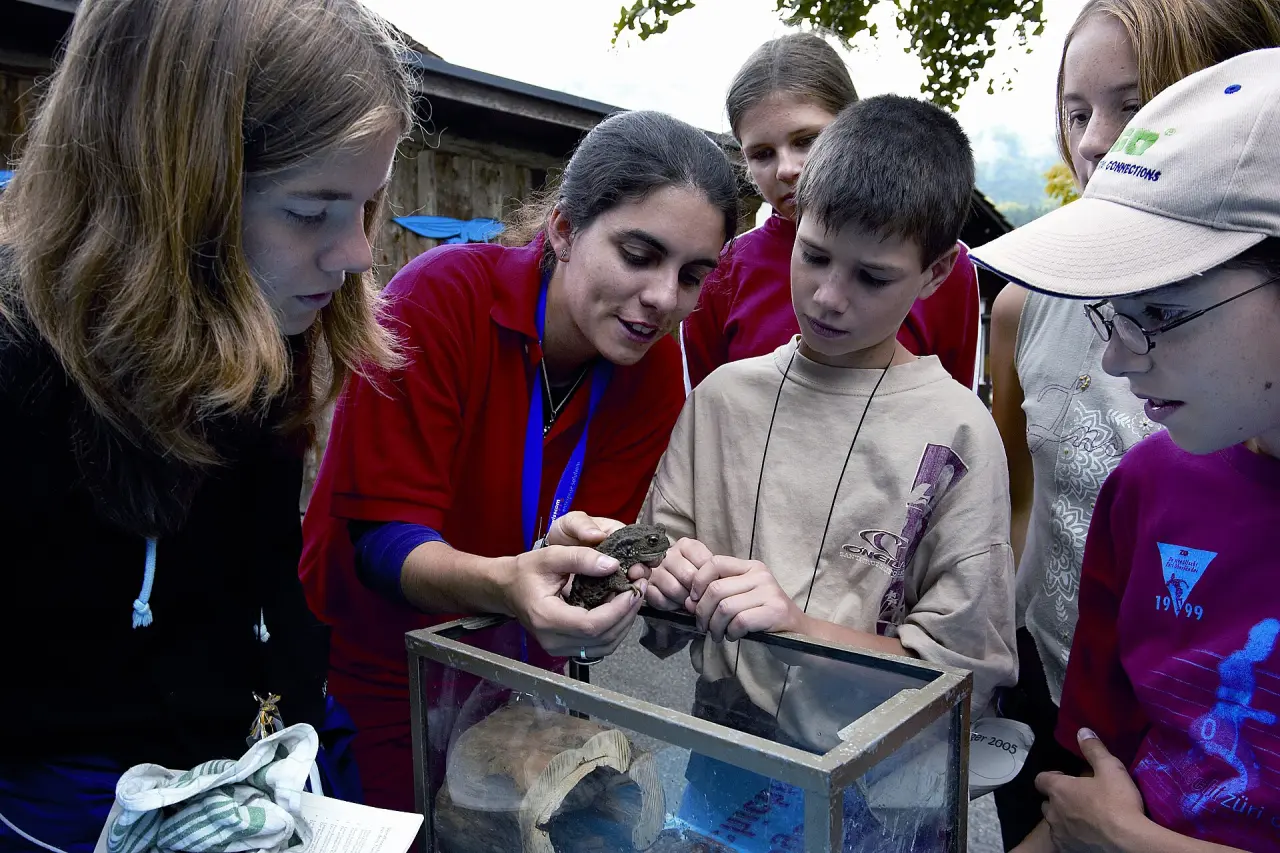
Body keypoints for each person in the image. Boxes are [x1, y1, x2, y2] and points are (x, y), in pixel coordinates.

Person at [0, 0, 412, 848]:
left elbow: (261, 591)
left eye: (367, 207)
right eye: (311, 211)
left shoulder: (261, 324)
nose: (358, 254)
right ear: (163, 186)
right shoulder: (17, 369)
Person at [299, 108, 740, 812]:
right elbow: (381, 545)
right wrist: (514, 581)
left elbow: (582, 541)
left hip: (517, 673)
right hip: (377, 670)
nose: (662, 298)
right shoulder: (438, 299)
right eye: (638, 254)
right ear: (563, 229)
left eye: (692, 274)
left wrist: (615, 566)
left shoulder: (652, 369)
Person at [640, 94, 1015, 821]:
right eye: (813, 256)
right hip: (724, 761)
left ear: (936, 273)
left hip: (883, 793)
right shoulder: (721, 400)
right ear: (793, 227)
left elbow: (966, 672)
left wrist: (796, 627)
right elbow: (654, 575)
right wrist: (660, 577)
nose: (829, 296)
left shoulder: (960, 434)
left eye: (873, 277)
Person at [986, 1, 1280, 845]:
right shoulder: (1150, 484)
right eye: (1076, 112)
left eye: (1161, 309)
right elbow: (1090, 782)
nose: (1118, 355)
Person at [680, 32, 982, 393]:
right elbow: (705, 413)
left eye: (806, 140)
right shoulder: (721, 270)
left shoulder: (939, 262)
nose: (786, 169)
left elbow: (952, 406)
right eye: (761, 153)